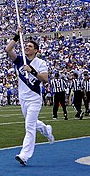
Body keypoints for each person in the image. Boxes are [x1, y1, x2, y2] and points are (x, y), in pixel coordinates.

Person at [5, 32, 54, 166]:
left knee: (29, 126)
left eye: (30, 46)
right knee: (31, 122)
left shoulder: (40, 63)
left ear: (36, 50)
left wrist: (31, 70)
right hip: (23, 99)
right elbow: (8, 49)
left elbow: (45, 78)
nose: (26, 47)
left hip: (34, 98)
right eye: (25, 45)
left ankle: (24, 155)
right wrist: (16, 35)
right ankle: (46, 130)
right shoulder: (20, 60)